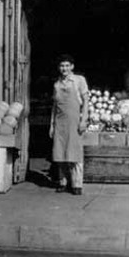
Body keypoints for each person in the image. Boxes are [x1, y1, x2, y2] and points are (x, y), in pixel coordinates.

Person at [50, 54, 89, 195]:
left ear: (72, 66)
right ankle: (62, 182)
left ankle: (77, 184)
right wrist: (52, 125)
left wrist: (84, 120)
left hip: (74, 121)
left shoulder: (79, 80)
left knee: (75, 153)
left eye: (67, 65)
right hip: (60, 122)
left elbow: (85, 102)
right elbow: (55, 106)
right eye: (62, 66)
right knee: (60, 153)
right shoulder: (57, 84)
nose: (64, 68)